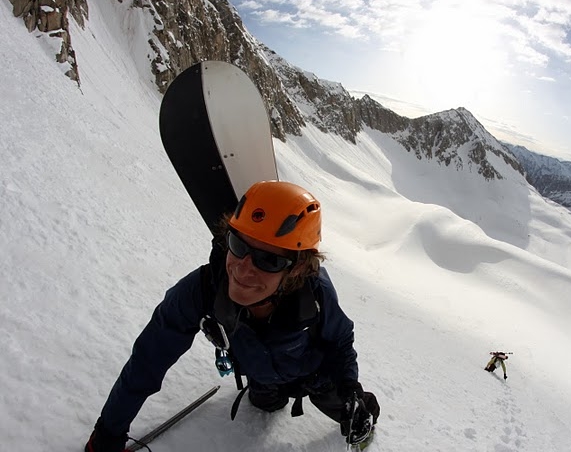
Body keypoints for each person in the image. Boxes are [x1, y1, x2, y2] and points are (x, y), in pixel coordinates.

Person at [85, 181, 380, 451]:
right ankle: (271, 391)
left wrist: (350, 386)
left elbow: (340, 339)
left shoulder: (316, 295)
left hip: (316, 377)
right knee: (264, 404)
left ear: (298, 269)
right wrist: (108, 434)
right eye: (238, 246)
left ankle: (362, 418)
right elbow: (148, 360)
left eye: (269, 260)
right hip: (261, 376)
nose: (243, 268)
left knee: (353, 413)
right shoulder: (202, 290)